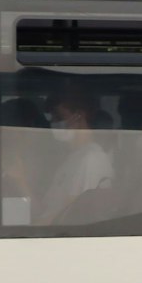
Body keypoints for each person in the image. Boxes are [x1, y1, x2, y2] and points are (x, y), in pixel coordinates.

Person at [37, 87, 116, 225]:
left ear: (79, 115)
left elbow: (69, 212)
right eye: (53, 118)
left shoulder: (92, 159)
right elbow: (50, 207)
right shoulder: (73, 158)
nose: (54, 123)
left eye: (59, 117)